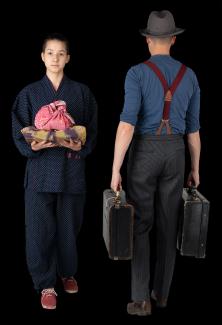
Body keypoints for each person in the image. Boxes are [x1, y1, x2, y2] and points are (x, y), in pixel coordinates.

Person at [111, 10, 200, 316]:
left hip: (145, 153)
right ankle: (161, 294)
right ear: (173, 39)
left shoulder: (136, 73)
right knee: (168, 224)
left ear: (148, 40)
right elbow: (194, 132)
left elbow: (126, 126)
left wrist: (115, 169)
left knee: (141, 224)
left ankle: (140, 300)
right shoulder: (190, 75)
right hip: (176, 152)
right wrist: (195, 169)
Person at [12, 33, 97, 310]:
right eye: (50, 53)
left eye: (61, 53)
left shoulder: (82, 92)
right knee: (39, 229)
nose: (55, 58)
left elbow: (92, 131)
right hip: (39, 172)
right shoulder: (29, 93)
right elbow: (18, 129)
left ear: (68, 58)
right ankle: (46, 284)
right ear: (42, 57)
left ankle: (67, 272)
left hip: (71, 170)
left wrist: (79, 144)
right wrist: (33, 146)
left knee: (69, 228)